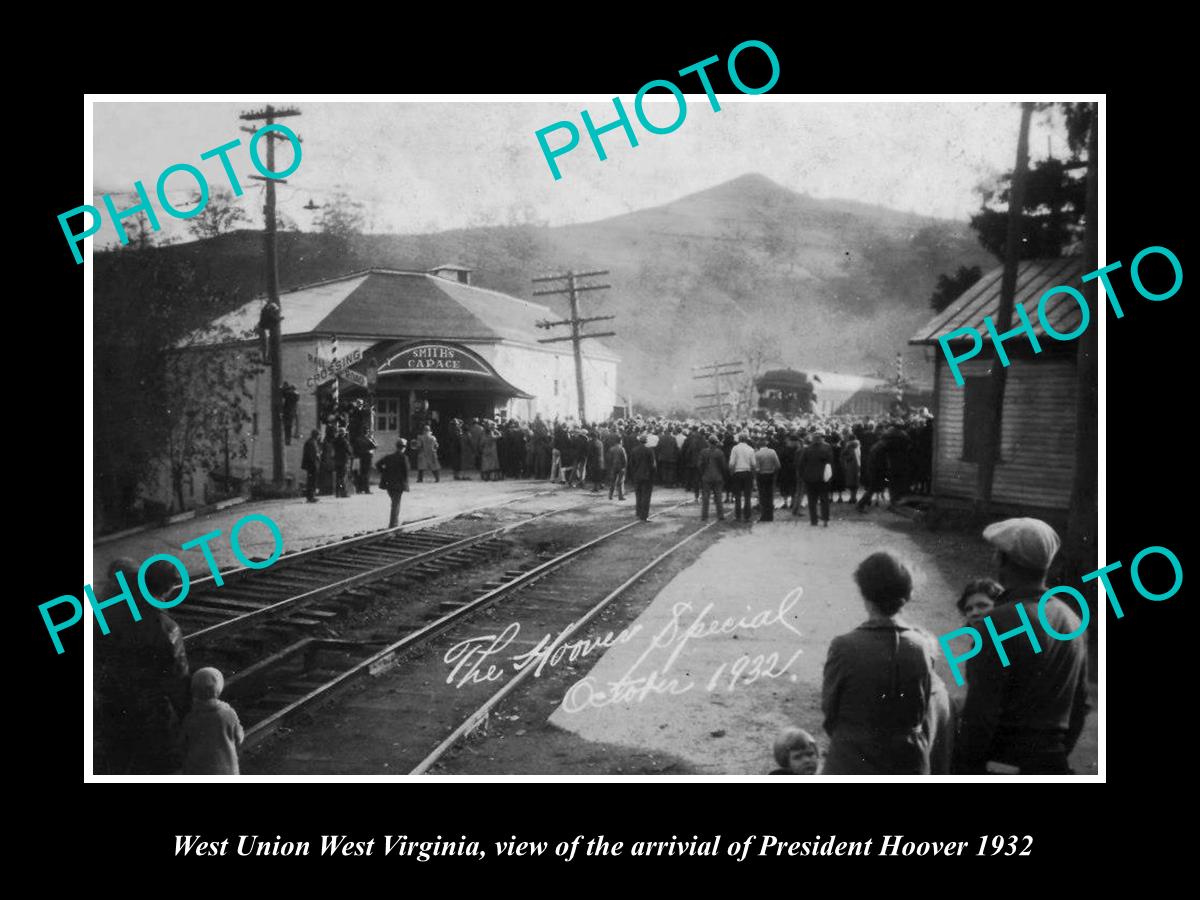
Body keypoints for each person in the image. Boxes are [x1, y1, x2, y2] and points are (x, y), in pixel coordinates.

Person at [956, 519, 1091, 775]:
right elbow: (1081, 705)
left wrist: (964, 769)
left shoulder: (997, 623)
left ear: (1003, 561)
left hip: (1003, 764)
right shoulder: (1072, 620)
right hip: (1053, 763)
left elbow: (980, 714)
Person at [821, 551, 952, 775]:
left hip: (852, 759)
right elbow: (921, 709)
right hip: (907, 761)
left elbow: (830, 709)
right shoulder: (921, 646)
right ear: (906, 594)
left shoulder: (844, 646)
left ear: (865, 594)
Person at [94, 558, 190, 774]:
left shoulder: (111, 604)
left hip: (106, 695)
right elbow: (178, 678)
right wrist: (188, 714)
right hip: (146, 707)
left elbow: (119, 564)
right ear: (168, 589)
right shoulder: (165, 629)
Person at [179, 667, 245, 775]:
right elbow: (239, 738)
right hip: (226, 770)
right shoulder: (229, 714)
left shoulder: (191, 717)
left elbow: (182, 744)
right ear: (219, 689)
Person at [796, 432, 834, 527]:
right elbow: (831, 462)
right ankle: (825, 519)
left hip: (809, 478)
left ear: (812, 439)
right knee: (824, 499)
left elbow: (801, 464)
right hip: (822, 478)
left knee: (812, 500)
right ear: (821, 439)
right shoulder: (827, 448)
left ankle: (814, 520)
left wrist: (802, 476)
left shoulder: (807, 449)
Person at [376, 439, 411, 528]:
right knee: (396, 504)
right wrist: (406, 484)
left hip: (389, 483)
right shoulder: (404, 457)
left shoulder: (389, 457)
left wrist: (385, 472)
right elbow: (406, 472)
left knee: (394, 502)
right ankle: (393, 524)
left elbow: (378, 464)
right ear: (404, 448)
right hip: (399, 484)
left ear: (396, 446)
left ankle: (394, 522)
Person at [697, 435, 728, 521]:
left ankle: (704, 516)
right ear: (716, 443)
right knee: (718, 497)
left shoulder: (703, 452)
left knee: (706, 497)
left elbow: (699, 465)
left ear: (708, 442)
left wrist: (702, 473)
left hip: (706, 476)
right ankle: (720, 515)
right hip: (718, 476)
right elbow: (723, 466)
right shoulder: (720, 453)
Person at [728, 433, 756, 522]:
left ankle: (738, 516)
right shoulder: (751, 449)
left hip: (737, 472)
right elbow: (753, 464)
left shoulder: (735, 449)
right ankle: (747, 516)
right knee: (747, 496)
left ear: (739, 439)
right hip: (747, 473)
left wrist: (731, 473)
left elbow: (731, 463)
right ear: (747, 439)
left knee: (737, 496)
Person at [628, 434, 657, 521]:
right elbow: (653, 465)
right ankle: (644, 516)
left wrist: (633, 475)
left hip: (637, 476)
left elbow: (630, 464)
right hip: (647, 477)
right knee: (646, 496)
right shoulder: (649, 450)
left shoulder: (634, 450)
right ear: (646, 441)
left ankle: (638, 512)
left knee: (638, 495)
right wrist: (653, 476)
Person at [753, 438, 780, 522]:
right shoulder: (772, 452)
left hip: (761, 475)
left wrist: (755, 476)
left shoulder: (757, 454)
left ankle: (764, 515)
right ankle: (770, 516)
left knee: (762, 496)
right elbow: (778, 465)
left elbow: (757, 468)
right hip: (770, 475)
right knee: (770, 495)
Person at [301, 429, 321, 503]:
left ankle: (311, 496)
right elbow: (312, 455)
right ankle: (311, 496)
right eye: (319, 435)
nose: (319, 437)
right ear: (316, 435)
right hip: (312, 465)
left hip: (311, 464)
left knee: (311, 481)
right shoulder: (312, 443)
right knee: (312, 481)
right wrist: (318, 456)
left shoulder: (311, 442)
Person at [841, 433, 861, 506]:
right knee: (856, 482)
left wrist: (847, 459)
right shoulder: (858, 446)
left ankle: (852, 498)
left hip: (851, 466)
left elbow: (843, 455)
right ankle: (854, 497)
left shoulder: (848, 446)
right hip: (858, 465)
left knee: (851, 482)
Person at [332, 426, 353, 498]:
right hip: (343, 460)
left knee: (338, 477)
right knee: (343, 477)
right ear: (344, 434)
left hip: (336, 460)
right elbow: (349, 451)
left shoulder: (334, 441)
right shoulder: (345, 441)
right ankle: (343, 493)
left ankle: (337, 493)